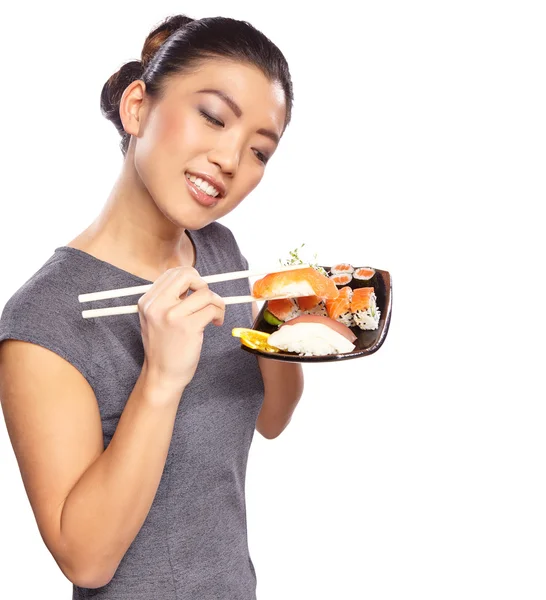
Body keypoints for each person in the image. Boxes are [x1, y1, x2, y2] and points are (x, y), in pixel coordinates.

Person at [0, 14, 303, 600]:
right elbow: (85, 561)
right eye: (213, 117)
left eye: (260, 151)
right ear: (137, 107)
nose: (231, 160)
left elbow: (269, 419)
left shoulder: (218, 251)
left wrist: (287, 328)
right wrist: (160, 379)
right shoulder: (43, 321)